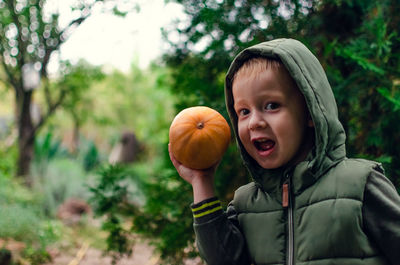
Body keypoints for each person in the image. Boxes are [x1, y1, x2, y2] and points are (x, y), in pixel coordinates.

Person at [168, 38, 400, 265]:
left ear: (311, 111)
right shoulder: (245, 204)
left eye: (271, 106)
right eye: (244, 111)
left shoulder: (359, 185)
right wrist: (202, 180)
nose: (254, 122)